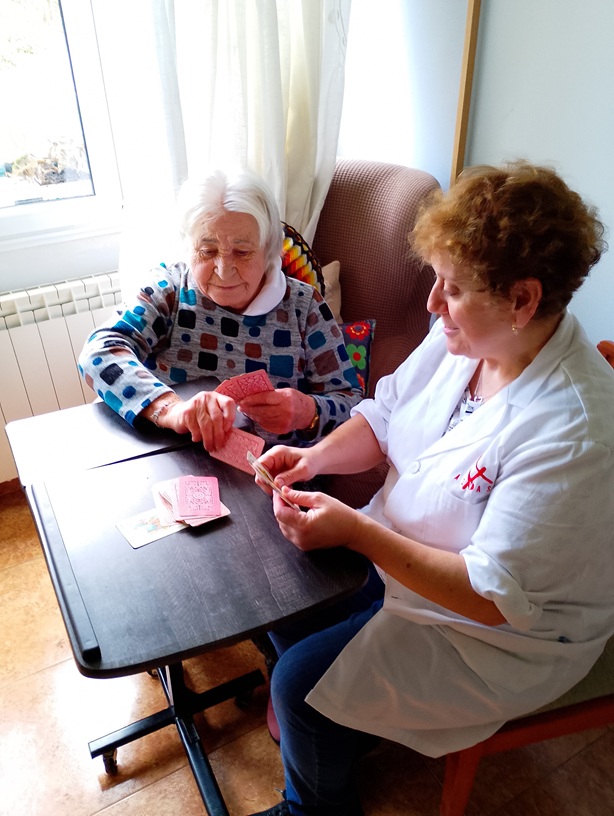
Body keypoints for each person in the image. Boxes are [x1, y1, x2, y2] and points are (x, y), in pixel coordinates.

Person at [247, 161, 614, 816]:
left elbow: (491, 597)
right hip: (405, 553)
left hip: (496, 634)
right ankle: (345, 730)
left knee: (300, 687)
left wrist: (358, 531)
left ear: (523, 299)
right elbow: (386, 416)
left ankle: (314, 807)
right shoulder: (469, 333)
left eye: (453, 287)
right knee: (279, 596)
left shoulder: (575, 432)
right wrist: (311, 459)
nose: (430, 303)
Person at [78, 169, 362, 450]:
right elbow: (98, 351)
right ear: (188, 248)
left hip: (272, 475)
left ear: (271, 250)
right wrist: (171, 410)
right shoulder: (170, 289)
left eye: (242, 252)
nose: (224, 272)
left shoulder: (304, 305)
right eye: (207, 250)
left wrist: (307, 411)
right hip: (175, 459)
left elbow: (354, 404)